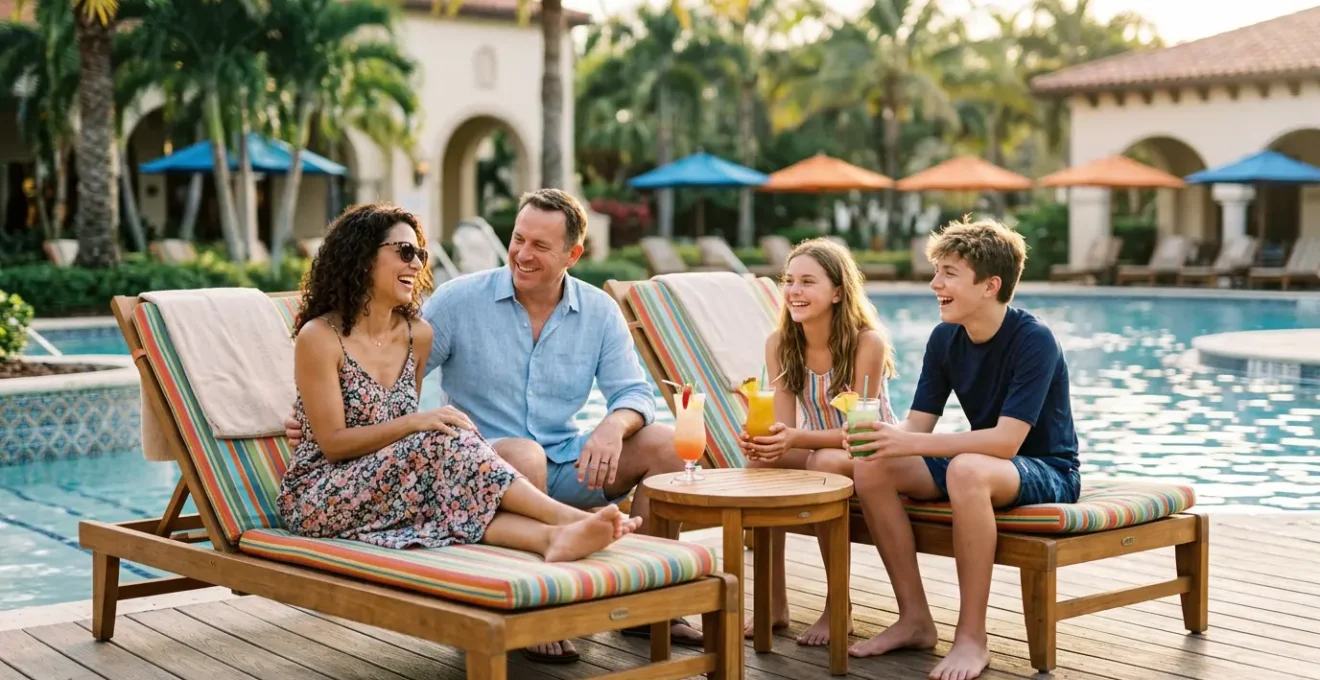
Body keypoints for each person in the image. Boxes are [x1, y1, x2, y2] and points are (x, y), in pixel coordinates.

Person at [285, 190, 699, 661]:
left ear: (573, 254)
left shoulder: (596, 311)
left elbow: (635, 392)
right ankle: (543, 597)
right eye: (518, 239)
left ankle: (650, 604)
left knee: (664, 444)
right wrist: (311, 420)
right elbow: (387, 403)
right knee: (518, 452)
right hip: (487, 463)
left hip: (561, 461)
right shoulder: (455, 303)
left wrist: (612, 426)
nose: (523, 253)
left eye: (540, 246)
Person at [277, 203, 642, 579]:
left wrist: (420, 426)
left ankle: (550, 539)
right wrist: (418, 423)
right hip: (322, 495)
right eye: (405, 252)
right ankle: (568, 519)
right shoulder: (320, 337)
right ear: (363, 255)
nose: (417, 265)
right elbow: (337, 442)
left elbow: (401, 431)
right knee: (442, 435)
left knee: (453, 472)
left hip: (390, 482)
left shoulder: (416, 335)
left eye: (420, 254)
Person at [844, 218, 1081, 680]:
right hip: (987, 464)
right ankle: (915, 619)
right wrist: (880, 436)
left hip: (1048, 469)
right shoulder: (945, 336)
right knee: (870, 466)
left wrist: (912, 441)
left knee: (967, 470)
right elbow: (918, 423)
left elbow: (1006, 441)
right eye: (938, 272)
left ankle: (972, 637)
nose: (935, 284)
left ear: (990, 285)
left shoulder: (1035, 340)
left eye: (949, 273)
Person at [736, 237, 898, 646]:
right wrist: (765, 442)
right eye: (790, 280)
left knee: (825, 465)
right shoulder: (781, 344)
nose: (794, 290)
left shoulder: (867, 343)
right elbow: (785, 426)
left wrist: (794, 438)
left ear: (839, 292)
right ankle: (772, 602)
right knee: (760, 468)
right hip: (819, 448)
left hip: (870, 452)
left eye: (808, 281)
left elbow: (861, 428)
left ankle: (836, 606)